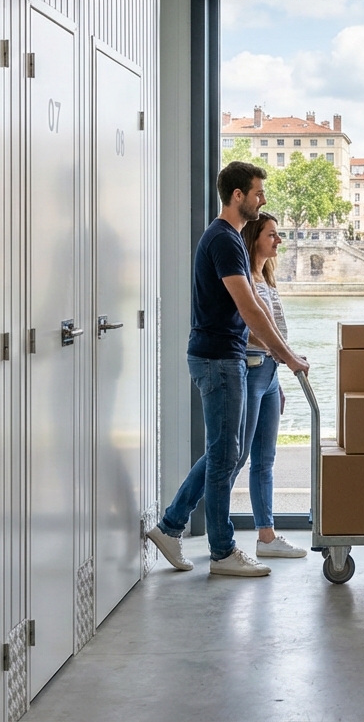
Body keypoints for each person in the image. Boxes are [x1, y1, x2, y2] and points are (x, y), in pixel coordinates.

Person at [145, 162, 309, 577]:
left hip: (224, 357)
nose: (263, 199)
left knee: (225, 452)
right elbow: (250, 308)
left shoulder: (229, 238)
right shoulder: (224, 240)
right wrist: (286, 356)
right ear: (237, 195)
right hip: (219, 360)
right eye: (257, 193)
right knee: (224, 457)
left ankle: (170, 526)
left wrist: (281, 353)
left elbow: (256, 311)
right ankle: (221, 552)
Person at [231, 211, 307, 559]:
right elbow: (250, 329)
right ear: (254, 238)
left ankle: (267, 536)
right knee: (234, 456)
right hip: (251, 369)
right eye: (272, 235)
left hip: (270, 373)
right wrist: (284, 356)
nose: (278, 240)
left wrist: (281, 368)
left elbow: (274, 326)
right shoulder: (244, 278)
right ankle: (188, 520)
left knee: (265, 459)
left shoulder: (266, 277)